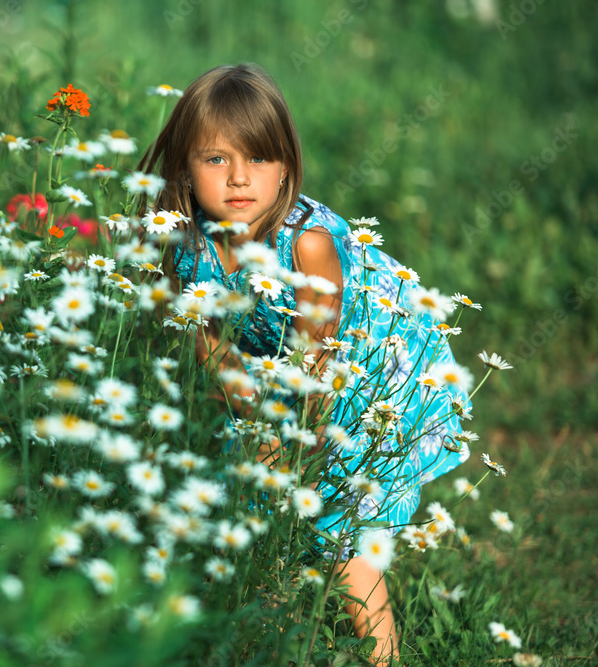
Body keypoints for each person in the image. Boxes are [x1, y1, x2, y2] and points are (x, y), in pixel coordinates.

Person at [137, 63, 473, 664]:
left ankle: (382, 658)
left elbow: (320, 354)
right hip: (290, 377)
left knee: (346, 535)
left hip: (377, 374)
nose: (240, 179)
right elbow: (206, 340)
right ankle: (258, 632)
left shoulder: (308, 243)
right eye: (216, 160)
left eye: (258, 160)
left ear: (286, 165)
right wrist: (254, 422)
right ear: (185, 167)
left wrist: (298, 438)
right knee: (244, 500)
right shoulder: (185, 243)